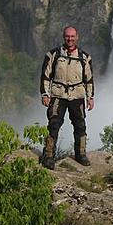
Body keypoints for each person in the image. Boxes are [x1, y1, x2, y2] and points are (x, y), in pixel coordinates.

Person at [39, 26, 94, 169]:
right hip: (58, 95)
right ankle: (48, 156)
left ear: (77, 37)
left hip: (77, 96)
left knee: (80, 125)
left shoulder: (84, 57)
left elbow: (89, 79)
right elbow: (45, 76)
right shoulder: (53, 55)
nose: (70, 39)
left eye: (72, 36)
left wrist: (90, 97)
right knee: (53, 125)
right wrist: (45, 94)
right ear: (64, 37)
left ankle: (81, 154)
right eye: (67, 36)